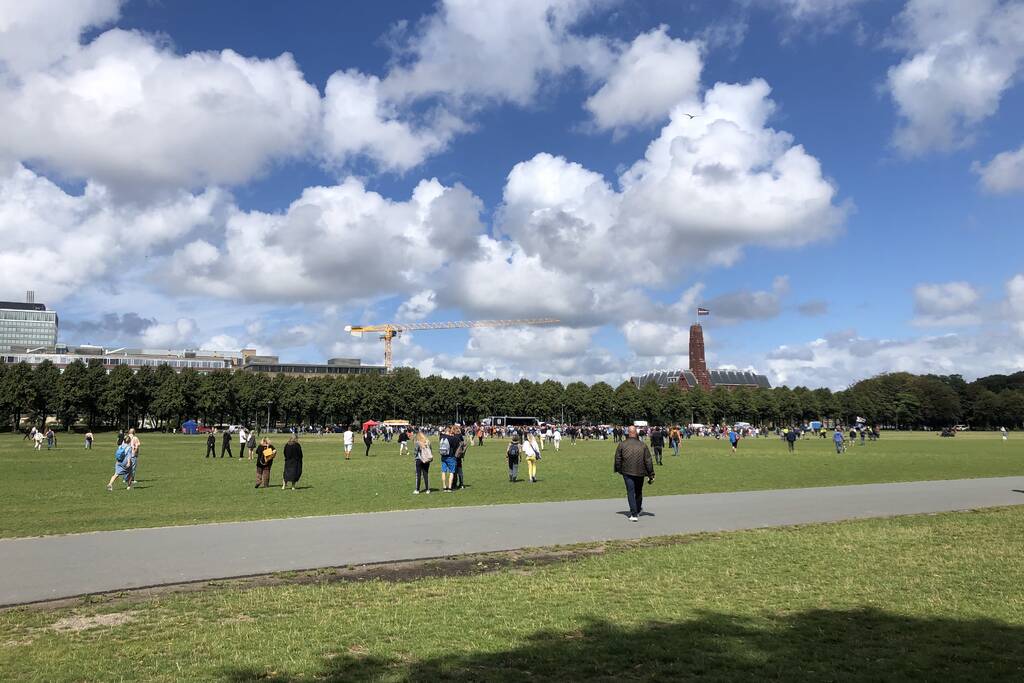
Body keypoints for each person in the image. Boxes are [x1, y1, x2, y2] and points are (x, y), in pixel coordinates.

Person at [614, 425, 654, 522]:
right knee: (638, 492)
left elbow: (617, 459)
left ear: (628, 433)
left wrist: (618, 469)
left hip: (627, 471)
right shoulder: (643, 445)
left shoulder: (622, 444)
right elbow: (648, 460)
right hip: (640, 471)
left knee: (631, 492)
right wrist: (651, 474)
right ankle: (638, 509)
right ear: (636, 433)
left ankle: (634, 513)